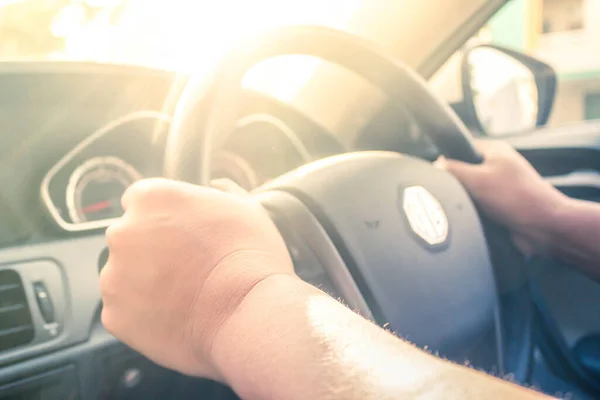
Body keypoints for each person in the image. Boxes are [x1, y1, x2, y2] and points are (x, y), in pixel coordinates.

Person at [99, 140, 599, 399]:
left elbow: (230, 296)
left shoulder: (227, 296)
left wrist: (231, 297)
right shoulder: (544, 219)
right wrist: (549, 219)